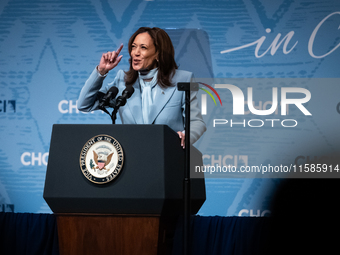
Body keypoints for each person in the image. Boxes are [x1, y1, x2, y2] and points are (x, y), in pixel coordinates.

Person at [77, 27, 206, 147]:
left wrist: (185, 136)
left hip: (169, 157)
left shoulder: (182, 80)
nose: (135, 53)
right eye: (133, 47)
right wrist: (101, 71)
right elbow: (84, 104)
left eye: (143, 47)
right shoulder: (122, 81)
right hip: (133, 160)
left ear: (158, 54)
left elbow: (197, 122)